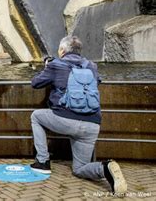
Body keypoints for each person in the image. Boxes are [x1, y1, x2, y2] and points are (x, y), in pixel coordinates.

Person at [30, 35, 127, 196]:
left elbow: (35, 83)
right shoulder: (92, 66)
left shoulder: (56, 64)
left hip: (65, 120)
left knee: (36, 116)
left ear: (62, 50)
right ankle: (105, 168)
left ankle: (42, 162)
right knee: (80, 169)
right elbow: (97, 82)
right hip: (92, 125)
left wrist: (47, 66)